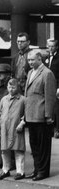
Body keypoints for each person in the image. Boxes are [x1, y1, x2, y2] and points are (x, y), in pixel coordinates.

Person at [23, 49, 56, 180]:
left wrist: (48, 115)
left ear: (39, 59)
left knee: (43, 146)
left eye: (32, 60)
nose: (30, 62)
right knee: (34, 145)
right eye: (29, 60)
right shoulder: (31, 72)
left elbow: (50, 96)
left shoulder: (47, 73)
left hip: (42, 116)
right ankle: (37, 169)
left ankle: (43, 171)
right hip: (31, 115)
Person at [0, 79, 26, 180]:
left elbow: (26, 114)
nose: (11, 89)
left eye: (13, 87)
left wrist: (22, 123)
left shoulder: (22, 100)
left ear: (18, 88)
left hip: (16, 128)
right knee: (4, 150)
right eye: (9, 87)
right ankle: (5, 170)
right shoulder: (4, 99)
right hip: (4, 129)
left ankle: (20, 172)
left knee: (18, 150)